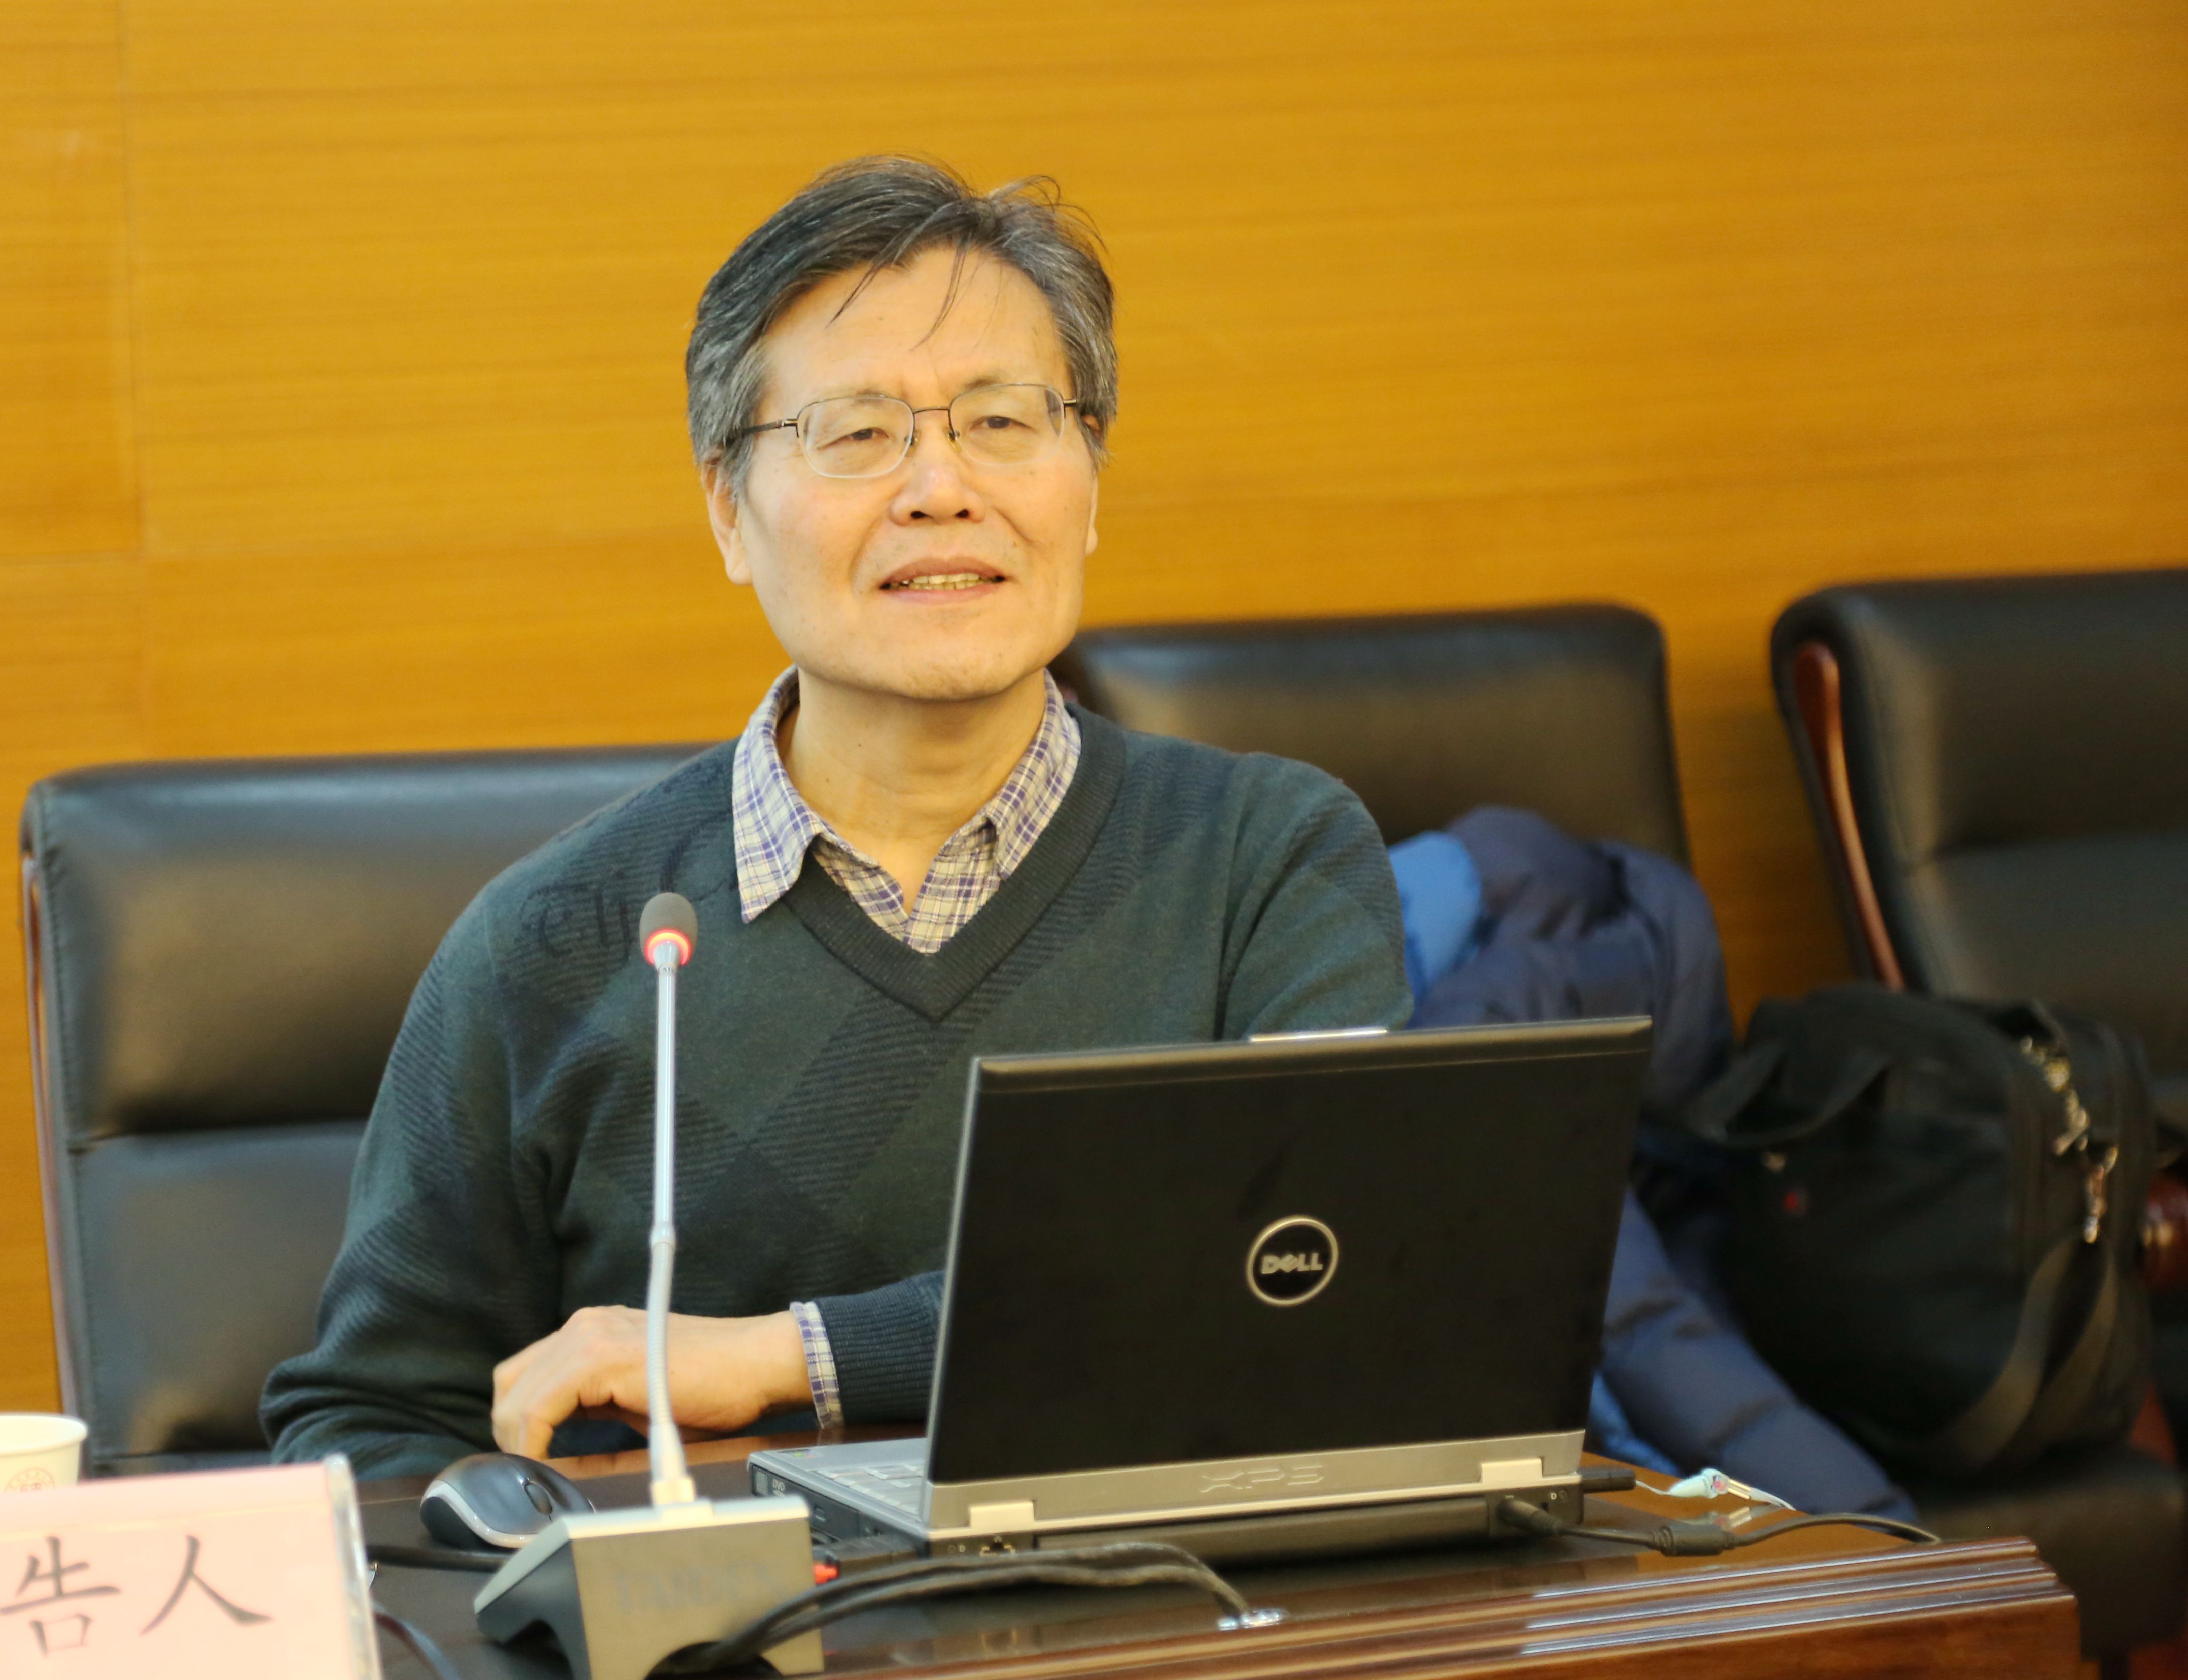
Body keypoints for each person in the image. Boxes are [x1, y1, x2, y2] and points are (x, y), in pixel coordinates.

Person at [262, 157, 1409, 1475]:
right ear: (727, 511)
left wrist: (783, 1359)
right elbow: (369, 1428)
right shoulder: (553, 940)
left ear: (1088, 482)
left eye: (1001, 422)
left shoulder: (1262, 859)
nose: (941, 488)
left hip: (1170, 1600)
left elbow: (1311, 1279)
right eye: (858, 435)